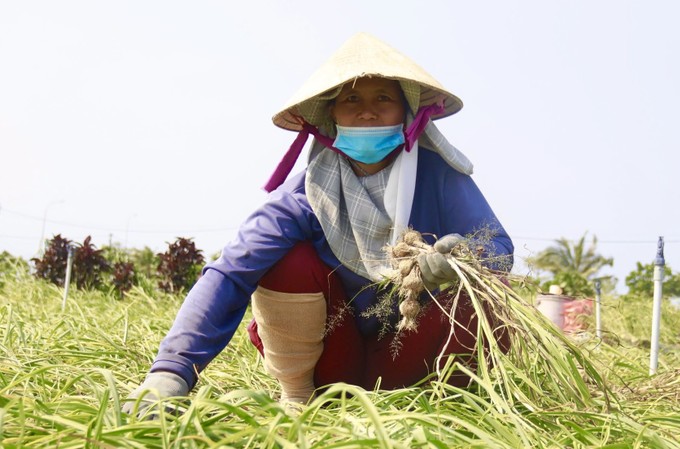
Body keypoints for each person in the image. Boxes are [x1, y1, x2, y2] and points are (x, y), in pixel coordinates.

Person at [123, 32, 513, 413]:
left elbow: (497, 248)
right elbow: (230, 273)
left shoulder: (439, 177)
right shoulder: (307, 197)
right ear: (331, 118)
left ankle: (445, 405)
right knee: (285, 262)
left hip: (411, 358)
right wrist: (170, 373)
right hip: (330, 366)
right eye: (351, 99)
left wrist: (460, 258)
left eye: (384, 98)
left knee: (490, 288)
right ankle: (298, 399)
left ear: (409, 113)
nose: (367, 110)